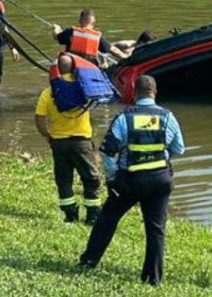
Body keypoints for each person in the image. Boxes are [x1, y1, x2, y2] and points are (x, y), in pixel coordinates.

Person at [78, 75, 185, 285]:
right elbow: (178, 149)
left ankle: (89, 261)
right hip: (160, 180)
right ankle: (152, 278)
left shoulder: (124, 117)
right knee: (156, 229)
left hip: (129, 181)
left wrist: (113, 176)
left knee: (107, 219)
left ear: (135, 93)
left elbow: (107, 152)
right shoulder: (168, 117)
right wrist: (160, 157)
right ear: (154, 93)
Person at [34, 54, 102, 224]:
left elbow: (39, 118)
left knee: (64, 180)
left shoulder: (49, 92)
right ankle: (92, 215)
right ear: (74, 68)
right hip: (82, 141)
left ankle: (70, 215)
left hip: (58, 142)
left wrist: (47, 135)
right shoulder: (84, 86)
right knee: (91, 178)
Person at [51, 9, 127, 66]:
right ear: (93, 24)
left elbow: (57, 37)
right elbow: (114, 50)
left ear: (80, 21)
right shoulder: (97, 37)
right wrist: (127, 58)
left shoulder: (71, 32)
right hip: (90, 68)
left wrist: (56, 28)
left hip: (72, 66)